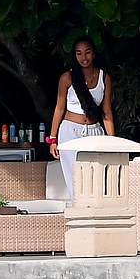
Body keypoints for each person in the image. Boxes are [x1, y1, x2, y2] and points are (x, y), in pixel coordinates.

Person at [48, 36, 115, 201]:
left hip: (94, 131)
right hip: (70, 131)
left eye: (87, 52)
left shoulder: (104, 77)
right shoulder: (67, 78)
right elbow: (59, 108)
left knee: (96, 176)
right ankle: (78, 214)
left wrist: (112, 141)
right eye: (79, 54)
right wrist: (53, 139)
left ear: (93, 53)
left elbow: (106, 111)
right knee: (75, 178)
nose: (83, 58)